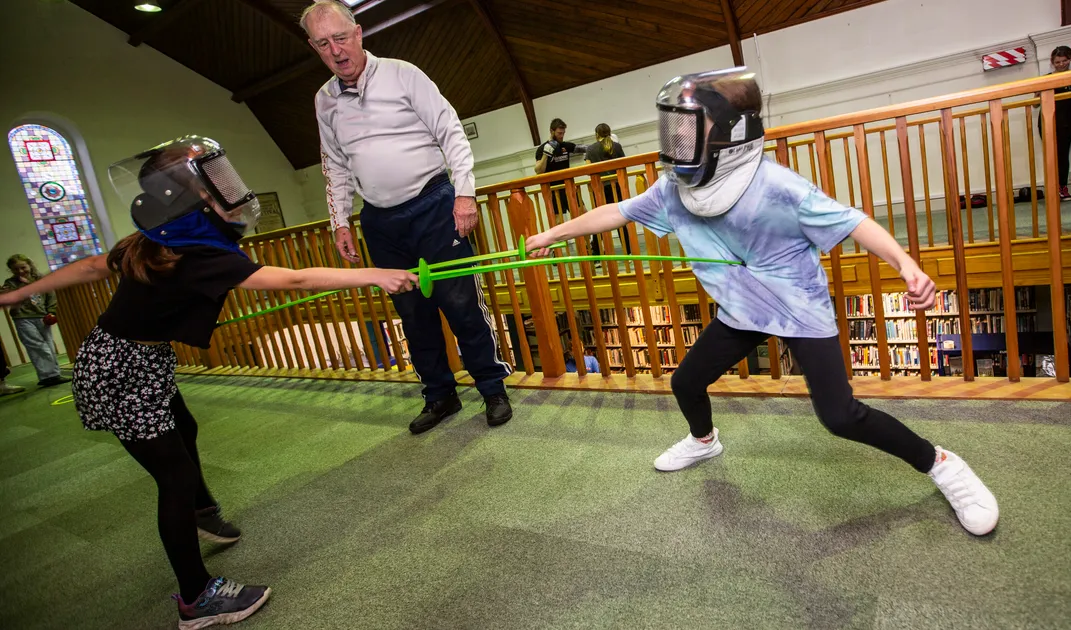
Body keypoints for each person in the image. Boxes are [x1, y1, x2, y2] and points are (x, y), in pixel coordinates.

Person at [526, 67, 999, 537]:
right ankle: (704, 440)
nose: (677, 138)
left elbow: (854, 221)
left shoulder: (779, 188)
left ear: (732, 131)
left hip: (798, 309)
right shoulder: (673, 189)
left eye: (689, 126)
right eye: (673, 126)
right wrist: (551, 234)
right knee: (686, 382)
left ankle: (941, 464)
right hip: (741, 312)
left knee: (840, 417)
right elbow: (617, 211)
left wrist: (907, 266)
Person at [0, 136, 419, 628]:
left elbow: (94, 265)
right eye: (209, 184)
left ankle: (200, 510)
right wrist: (375, 274)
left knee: (186, 428)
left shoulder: (166, 239)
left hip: (129, 359)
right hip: (121, 370)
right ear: (187, 197)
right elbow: (295, 280)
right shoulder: (189, 250)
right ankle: (195, 599)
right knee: (172, 477)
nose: (227, 190)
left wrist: (12, 298)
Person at [304, 0, 513, 434]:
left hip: (434, 204)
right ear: (314, 47)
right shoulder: (324, 101)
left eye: (341, 38)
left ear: (358, 33)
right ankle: (440, 396)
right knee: (412, 314)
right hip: (380, 221)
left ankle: (492, 388)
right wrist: (339, 220)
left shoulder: (403, 73)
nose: (336, 51)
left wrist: (465, 194)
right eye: (324, 44)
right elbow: (335, 164)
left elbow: (450, 129)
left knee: (460, 303)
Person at [3, 254, 71, 387]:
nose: (21, 271)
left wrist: (51, 312)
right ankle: (47, 376)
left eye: (23, 267)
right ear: (12, 271)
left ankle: (54, 374)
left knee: (49, 345)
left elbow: (51, 296)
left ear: (29, 265)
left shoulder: (41, 279)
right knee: (37, 346)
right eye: (16, 269)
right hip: (23, 318)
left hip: (42, 316)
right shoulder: (11, 283)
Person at [1036, 47, 1071, 202]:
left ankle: (1063, 188)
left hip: (1066, 121)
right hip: (1046, 121)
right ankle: (1052, 189)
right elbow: (1034, 104)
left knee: (1063, 155)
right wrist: (1039, 93)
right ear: (1052, 63)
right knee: (1050, 155)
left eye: (1064, 61)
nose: (1061, 64)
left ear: (1070, 59)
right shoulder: (1046, 78)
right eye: (1057, 62)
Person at [584, 123, 632, 254]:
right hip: (616, 186)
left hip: (599, 188)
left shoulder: (591, 149)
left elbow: (588, 170)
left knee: (597, 219)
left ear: (596, 135)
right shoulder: (616, 146)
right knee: (620, 218)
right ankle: (628, 250)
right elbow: (624, 164)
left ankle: (597, 253)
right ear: (610, 133)